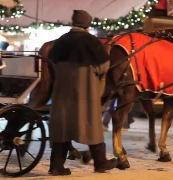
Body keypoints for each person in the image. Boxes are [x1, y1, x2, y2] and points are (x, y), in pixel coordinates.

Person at [48, 10, 117, 176]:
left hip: (62, 92)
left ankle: (56, 166)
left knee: (62, 128)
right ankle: (100, 163)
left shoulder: (61, 40)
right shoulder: (92, 41)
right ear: (88, 25)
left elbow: (52, 62)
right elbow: (103, 67)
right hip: (85, 91)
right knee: (90, 124)